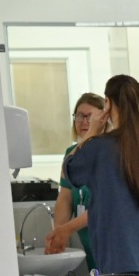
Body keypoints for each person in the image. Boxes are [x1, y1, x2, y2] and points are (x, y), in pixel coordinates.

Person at [63, 75, 139, 276]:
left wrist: (91, 133)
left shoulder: (97, 148)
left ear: (107, 104)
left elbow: (69, 170)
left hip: (120, 261)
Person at [44, 93, 106, 260]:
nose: (84, 121)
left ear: (103, 118)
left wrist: (66, 230)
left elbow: (103, 206)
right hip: (88, 241)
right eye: (79, 115)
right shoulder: (72, 155)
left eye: (89, 116)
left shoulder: (108, 152)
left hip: (108, 239)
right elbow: (65, 197)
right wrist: (58, 231)